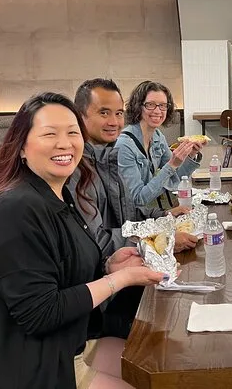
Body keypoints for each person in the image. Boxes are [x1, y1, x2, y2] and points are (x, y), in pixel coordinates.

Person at [0, 93, 166, 389]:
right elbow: (40, 313)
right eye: (50, 134)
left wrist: (109, 266)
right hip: (29, 370)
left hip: (68, 345)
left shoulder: (57, 194)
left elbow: (59, 271)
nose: (64, 143)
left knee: (160, 365)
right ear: (21, 146)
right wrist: (119, 280)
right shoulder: (16, 209)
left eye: (72, 133)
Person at [70, 78, 197, 339]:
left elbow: (134, 204)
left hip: (119, 266)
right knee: (173, 322)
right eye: (103, 112)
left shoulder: (108, 155)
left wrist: (163, 215)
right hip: (100, 296)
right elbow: (98, 239)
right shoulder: (94, 162)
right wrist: (159, 238)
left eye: (118, 113)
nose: (113, 121)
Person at [116, 81, 204, 209]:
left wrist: (191, 154)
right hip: (135, 216)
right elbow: (138, 199)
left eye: (163, 105)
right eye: (150, 105)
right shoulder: (124, 145)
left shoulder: (157, 136)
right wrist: (172, 164)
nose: (158, 111)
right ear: (138, 106)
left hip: (155, 212)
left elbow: (176, 178)